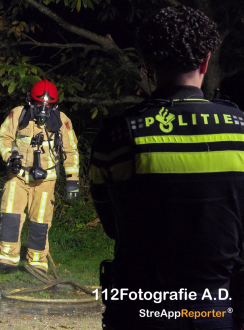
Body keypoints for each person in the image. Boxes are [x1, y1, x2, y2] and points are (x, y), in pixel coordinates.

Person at [89, 6, 244, 329]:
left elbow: (111, 225)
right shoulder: (240, 131)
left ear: (146, 65)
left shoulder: (115, 137)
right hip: (216, 307)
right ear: (205, 61)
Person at [0, 79, 80, 275]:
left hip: (46, 180)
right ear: (30, 101)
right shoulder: (18, 114)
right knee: (10, 215)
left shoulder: (62, 121)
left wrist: (72, 182)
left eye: (48, 105)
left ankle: (37, 263)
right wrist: (10, 157)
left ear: (55, 105)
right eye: (39, 104)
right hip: (18, 176)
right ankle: (7, 259)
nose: (43, 109)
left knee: (40, 220)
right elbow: (3, 138)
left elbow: (71, 151)